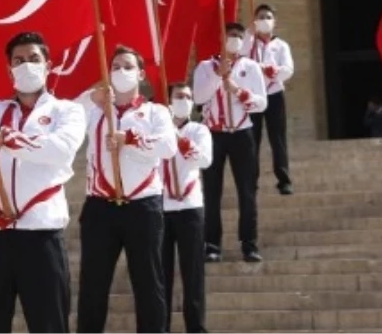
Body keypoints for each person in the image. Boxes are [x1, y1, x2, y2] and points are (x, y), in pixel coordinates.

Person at [0, 31, 86, 334]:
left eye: (33, 59)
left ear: (48, 65)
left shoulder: (67, 111)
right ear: (9, 69)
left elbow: (61, 149)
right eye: (18, 60)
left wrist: (9, 140)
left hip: (40, 238)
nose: (26, 65)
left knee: (49, 326)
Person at [74, 45, 177, 334]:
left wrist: (130, 138)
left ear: (141, 74)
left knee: (149, 283)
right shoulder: (94, 111)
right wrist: (90, 97)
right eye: (116, 66)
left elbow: (168, 146)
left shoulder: (155, 111)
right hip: (100, 207)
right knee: (93, 285)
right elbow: (64, 115)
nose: (121, 71)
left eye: (128, 66)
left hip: (142, 207)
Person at [192, 22, 267, 263]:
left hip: (242, 132)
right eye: (230, 35)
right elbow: (199, 98)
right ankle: (212, 243)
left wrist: (238, 91)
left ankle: (249, 243)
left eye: (238, 35)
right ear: (221, 37)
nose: (234, 39)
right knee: (212, 191)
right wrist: (217, 75)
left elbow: (261, 102)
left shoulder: (250, 66)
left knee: (247, 190)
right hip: (214, 133)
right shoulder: (205, 66)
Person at [161, 83, 212, 334]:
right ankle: (161, 326)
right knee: (161, 274)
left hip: (190, 206)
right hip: (161, 207)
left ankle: (196, 327)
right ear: (169, 100)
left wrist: (178, 138)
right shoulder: (159, 129)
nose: (184, 100)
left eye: (188, 97)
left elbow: (204, 159)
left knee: (193, 272)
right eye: (179, 96)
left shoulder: (199, 129)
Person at [243, 4, 295, 195]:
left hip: (274, 94)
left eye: (268, 17)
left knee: (278, 138)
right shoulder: (250, 43)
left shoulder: (281, 45)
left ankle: (284, 180)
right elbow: (241, 56)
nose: (264, 20)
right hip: (255, 95)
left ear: (274, 21)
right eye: (260, 17)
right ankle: (250, 180)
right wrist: (249, 32)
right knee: (252, 139)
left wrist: (275, 72)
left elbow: (288, 69)